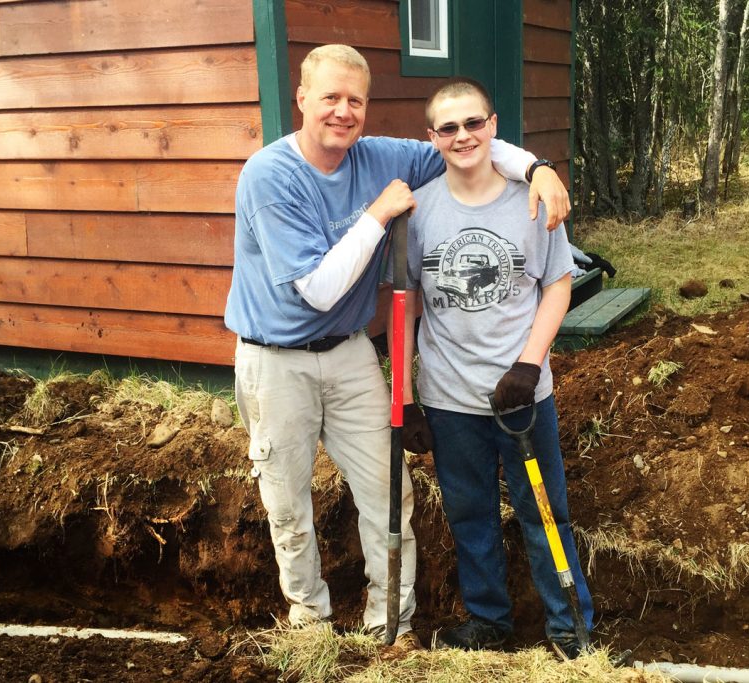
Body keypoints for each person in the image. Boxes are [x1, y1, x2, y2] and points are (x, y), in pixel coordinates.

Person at [223, 44, 570, 646]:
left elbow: (464, 143)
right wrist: (379, 215)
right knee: (288, 503)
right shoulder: (270, 175)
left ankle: (392, 626)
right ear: (302, 99)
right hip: (276, 360)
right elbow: (321, 290)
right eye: (329, 97)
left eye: (355, 100)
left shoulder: (379, 155)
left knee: (389, 493)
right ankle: (311, 626)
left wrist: (537, 166)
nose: (342, 111)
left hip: (353, 351)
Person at [399, 77, 594, 657]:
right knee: (469, 514)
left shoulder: (530, 201)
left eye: (473, 123)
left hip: (522, 399)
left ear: (493, 125)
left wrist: (528, 368)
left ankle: (569, 627)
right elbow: (405, 307)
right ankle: (488, 620)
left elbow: (558, 286)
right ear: (432, 137)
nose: (464, 136)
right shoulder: (420, 209)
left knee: (545, 512)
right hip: (449, 401)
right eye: (449, 127)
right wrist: (406, 395)